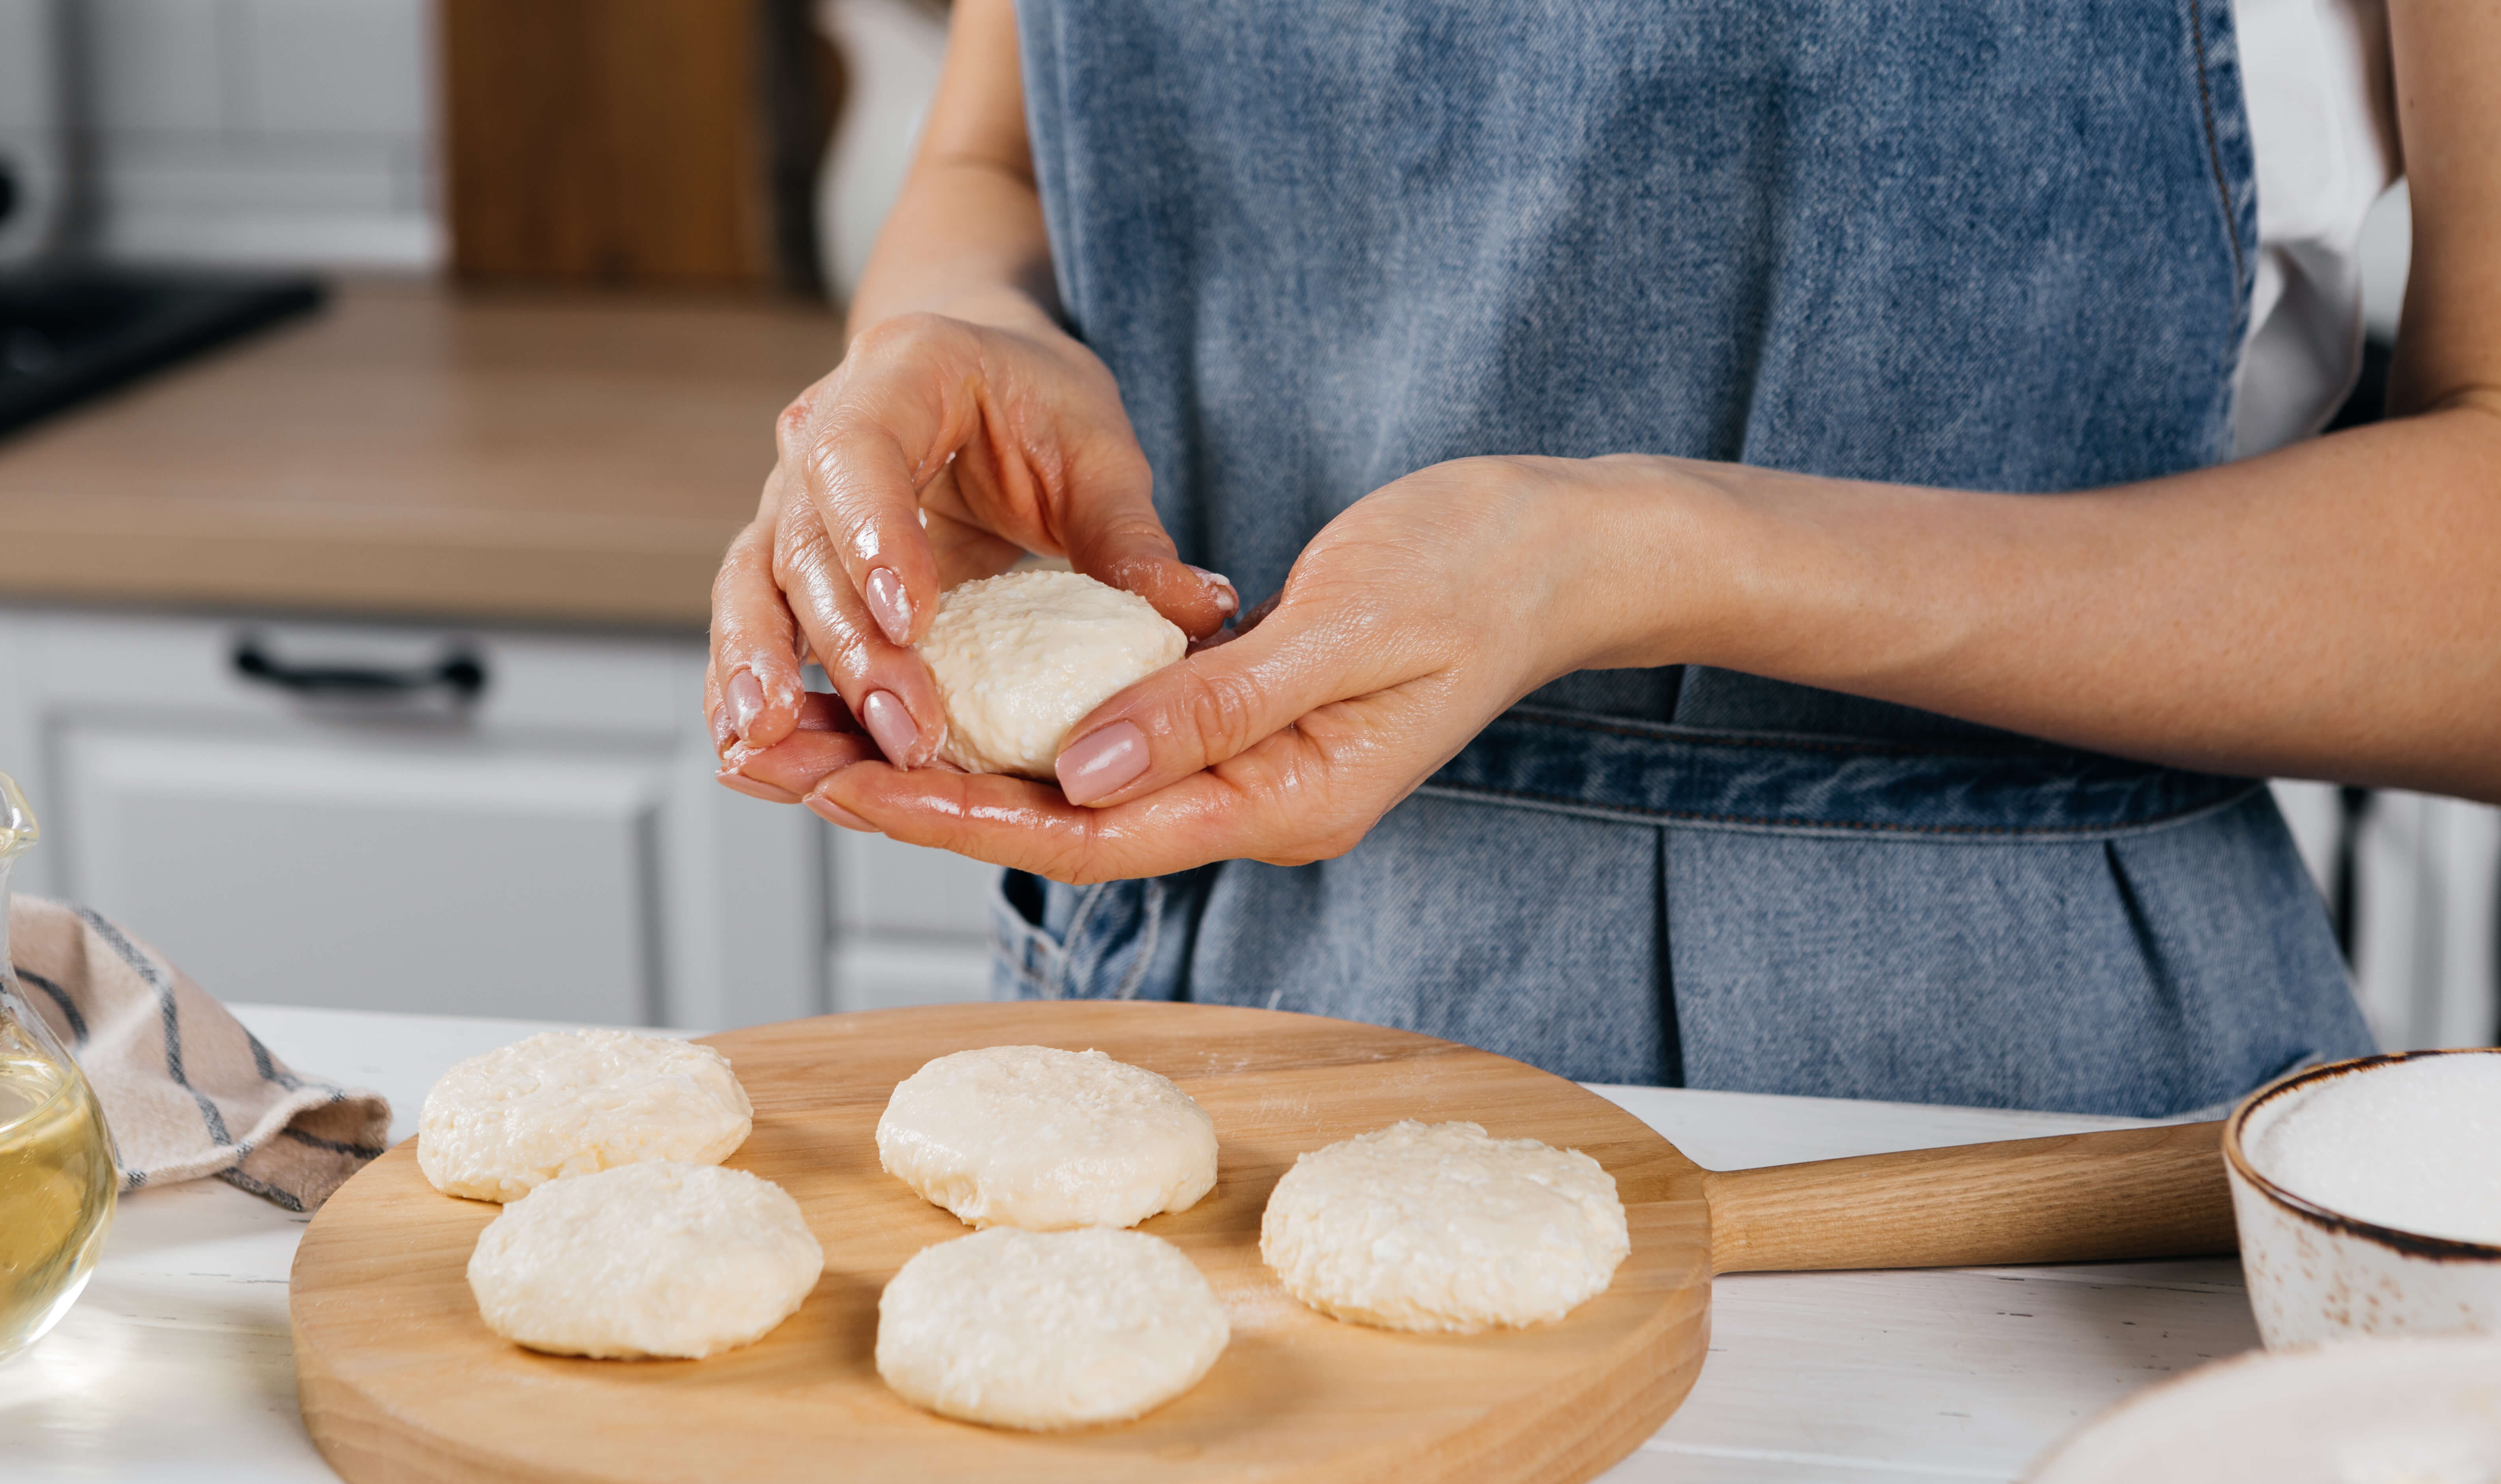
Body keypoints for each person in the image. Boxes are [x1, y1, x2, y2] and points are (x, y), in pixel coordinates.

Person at [707, 0, 2496, 1118]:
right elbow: (996, 165)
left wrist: (1658, 552)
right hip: (1178, 1022)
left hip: (2009, 1125)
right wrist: (939, 342)